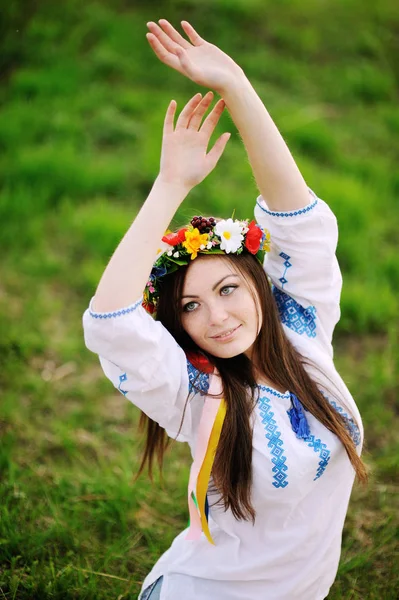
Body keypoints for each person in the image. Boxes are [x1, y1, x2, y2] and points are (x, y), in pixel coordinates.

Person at [82, 19, 367, 600]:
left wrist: (237, 87)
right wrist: (170, 184)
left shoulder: (302, 331)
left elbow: (302, 222)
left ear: (261, 287)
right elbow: (111, 321)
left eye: (228, 289)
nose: (216, 317)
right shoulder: (195, 392)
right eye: (190, 305)